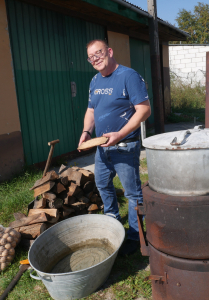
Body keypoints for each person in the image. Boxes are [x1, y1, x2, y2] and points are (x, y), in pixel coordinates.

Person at [78, 39, 151, 256]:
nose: (95, 59)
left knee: (132, 193)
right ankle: (114, 225)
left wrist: (120, 134)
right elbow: (91, 111)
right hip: (102, 147)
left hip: (125, 146)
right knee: (103, 185)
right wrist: (86, 132)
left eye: (98, 53)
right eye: (91, 57)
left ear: (109, 51)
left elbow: (144, 110)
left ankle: (135, 236)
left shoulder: (129, 76)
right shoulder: (94, 81)